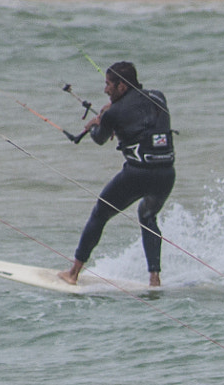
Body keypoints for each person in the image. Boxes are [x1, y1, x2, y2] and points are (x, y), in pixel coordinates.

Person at [58, 62, 175, 287]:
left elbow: (100, 138)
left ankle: (73, 273)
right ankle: (154, 278)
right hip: (166, 173)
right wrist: (111, 117)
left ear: (121, 86)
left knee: (100, 214)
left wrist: (97, 123)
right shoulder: (158, 96)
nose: (105, 90)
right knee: (148, 216)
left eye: (108, 84)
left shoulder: (114, 113)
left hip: (138, 174)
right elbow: (141, 119)